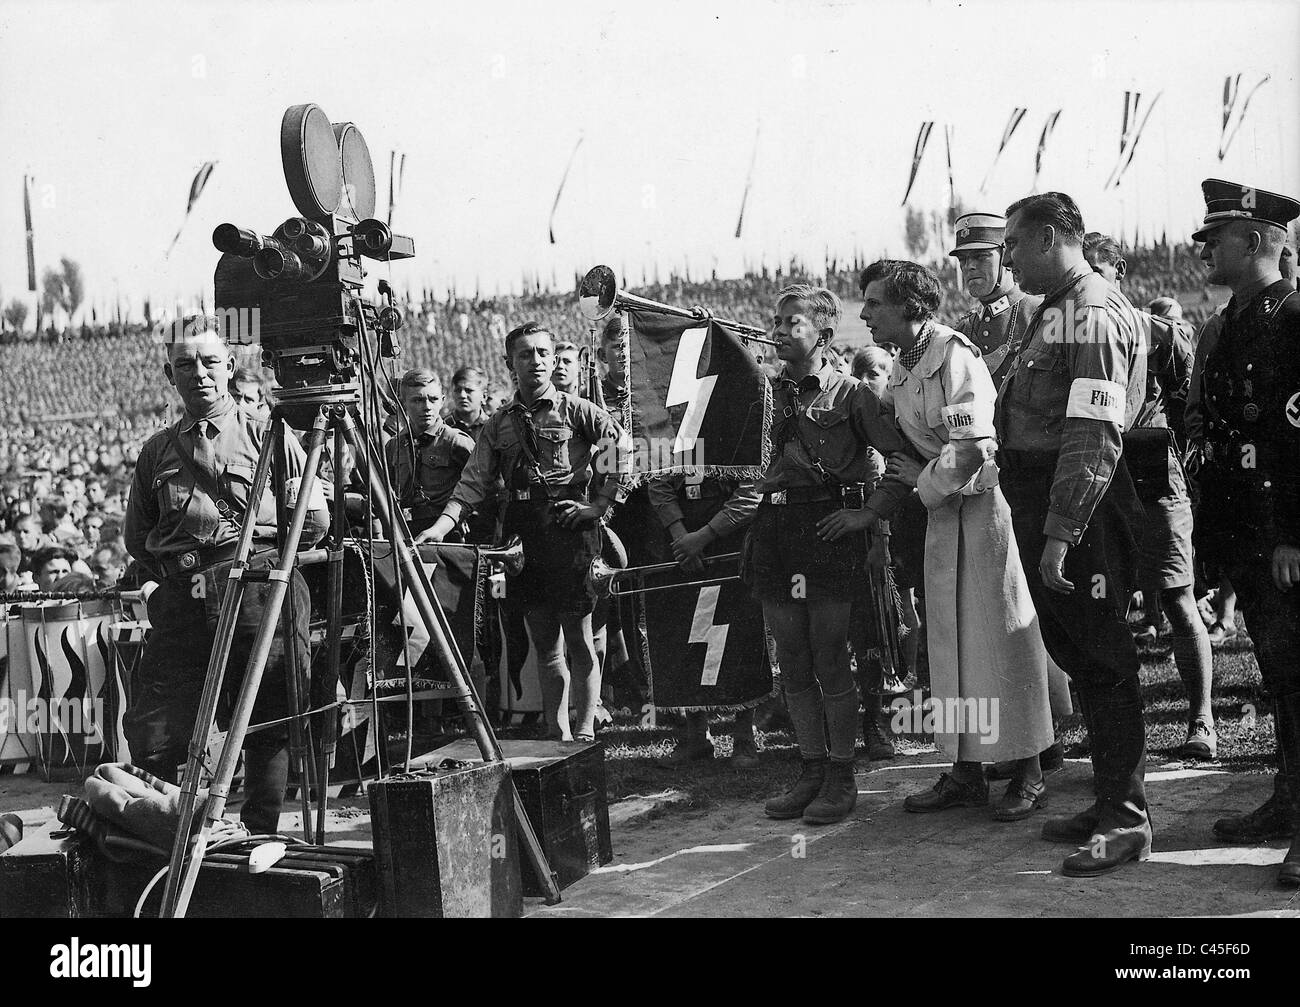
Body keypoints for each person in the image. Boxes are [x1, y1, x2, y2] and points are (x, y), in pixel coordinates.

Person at [858, 259, 1055, 820]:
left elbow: (972, 445)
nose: (866, 313)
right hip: (943, 513)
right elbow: (916, 444)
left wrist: (917, 483)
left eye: (875, 302)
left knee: (1000, 639)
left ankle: (1030, 771)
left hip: (982, 512)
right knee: (950, 647)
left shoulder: (954, 354)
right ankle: (966, 772)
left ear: (908, 306)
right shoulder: (903, 365)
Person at [123, 317, 329, 836]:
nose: (199, 373)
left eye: (210, 361)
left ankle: (261, 835)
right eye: (185, 365)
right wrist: (187, 572)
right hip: (184, 599)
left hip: (258, 591)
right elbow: (137, 537)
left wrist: (267, 565)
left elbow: (316, 519)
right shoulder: (157, 451)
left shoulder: (268, 433)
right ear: (170, 376)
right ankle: (164, 838)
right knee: (157, 730)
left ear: (230, 367)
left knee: (265, 717)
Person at [996, 191, 1150, 877]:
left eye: (1014, 245)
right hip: (1048, 501)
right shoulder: (1053, 312)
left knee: (1104, 658)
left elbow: (1093, 432)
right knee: (1080, 654)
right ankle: (1110, 797)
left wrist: (1060, 531)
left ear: (1052, 236)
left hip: (1080, 505)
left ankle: (1127, 819)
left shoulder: (1090, 314)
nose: (1007, 260)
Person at [745, 283, 909, 825]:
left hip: (829, 532)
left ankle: (842, 773)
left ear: (823, 333)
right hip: (778, 530)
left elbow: (900, 460)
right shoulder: (764, 394)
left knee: (830, 654)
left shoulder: (852, 395)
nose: (779, 331)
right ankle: (809, 769)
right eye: (777, 320)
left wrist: (869, 514)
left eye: (793, 322)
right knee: (790, 656)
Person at [426, 322, 629, 743]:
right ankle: (558, 733)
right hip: (524, 534)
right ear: (508, 364)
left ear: (553, 360)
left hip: (571, 529)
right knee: (545, 642)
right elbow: (473, 482)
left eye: (542, 353)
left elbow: (619, 444)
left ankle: (585, 726)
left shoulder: (578, 411)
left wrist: (600, 503)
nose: (535, 362)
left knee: (579, 636)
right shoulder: (499, 424)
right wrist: (440, 527)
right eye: (524, 355)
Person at [1186, 179, 1300, 886]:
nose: (1204, 250)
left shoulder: (1292, 319)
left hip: (1287, 542)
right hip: (1250, 539)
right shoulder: (1232, 321)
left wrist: (1295, 533)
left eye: (1215, 238)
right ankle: (1288, 799)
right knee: (1282, 675)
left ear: (1254, 241)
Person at [1083, 232, 1216, 760]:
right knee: (1103, 604)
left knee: (1177, 597)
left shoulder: (1157, 332)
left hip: (1153, 474)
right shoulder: (1069, 332)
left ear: (1119, 270)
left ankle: (1202, 720)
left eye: (1100, 270)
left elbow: (1192, 402)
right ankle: (1120, 736)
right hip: (1099, 479)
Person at [648, 470, 763, 768]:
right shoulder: (671, 431)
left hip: (732, 543)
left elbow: (751, 492)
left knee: (740, 636)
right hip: (680, 548)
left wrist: (704, 537)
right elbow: (658, 482)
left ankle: (744, 737)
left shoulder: (742, 428)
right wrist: (682, 539)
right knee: (686, 637)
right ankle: (696, 736)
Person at [949, 212, 1042, 386]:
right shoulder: (964, 329)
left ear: (1007, 257)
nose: (969, 266)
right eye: (963, 259)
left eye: (980, 257)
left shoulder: (1039, 314)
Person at [384, 368, 475, 541]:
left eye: (433, 399)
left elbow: (483, 488)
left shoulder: (455, 441)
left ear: (442, 401)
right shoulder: (393, 446)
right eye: (417, 400)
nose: (426, 407)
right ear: (403, 404)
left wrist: (464, 519)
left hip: (446, 531)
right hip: (406, 531)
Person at [445, 365, 492, 441]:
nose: (462, 395)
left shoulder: (493, 427)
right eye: (457, 390)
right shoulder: (443, 428)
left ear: (484, 396)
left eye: (469, 390)